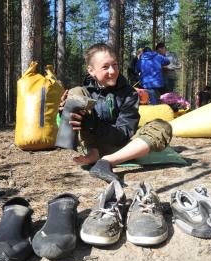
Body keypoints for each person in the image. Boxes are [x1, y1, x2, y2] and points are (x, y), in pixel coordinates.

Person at [59, 43, 172, 183]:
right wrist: (64, 112)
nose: (112, 71)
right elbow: (69, 128)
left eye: (115, 65)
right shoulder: (83, 92)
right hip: (91, 144)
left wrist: (93, 124)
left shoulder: (129, 93)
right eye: (105, 67)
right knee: (74, 92)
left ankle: (105, 162)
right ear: (91, 70)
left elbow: (124, 132)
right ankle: (93, 153)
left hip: (122, 148)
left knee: (163, 127)